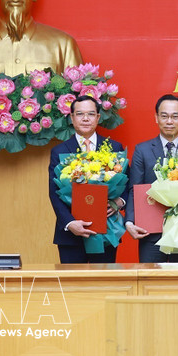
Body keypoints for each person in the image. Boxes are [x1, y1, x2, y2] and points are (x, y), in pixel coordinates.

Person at [124, 94, 178, 262]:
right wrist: (129, 222)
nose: (169, 121)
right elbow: (134, 189)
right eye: (164, 116)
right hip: (151, 233)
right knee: (151, 282)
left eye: (175, 116)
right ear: (156, 117)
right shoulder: (142, 150)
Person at [48, 95, 127, 263]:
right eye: (80, 114)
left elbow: (127, 184)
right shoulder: (59, 151)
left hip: (107, 231)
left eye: (91, 114)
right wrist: (69, 223)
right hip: (71, 236)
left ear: (98, 117)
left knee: (104, 285)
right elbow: (54, 193)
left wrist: (119, 202)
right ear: (72, 117)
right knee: (72, 286)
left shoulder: (114, 148)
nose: (85, 119)